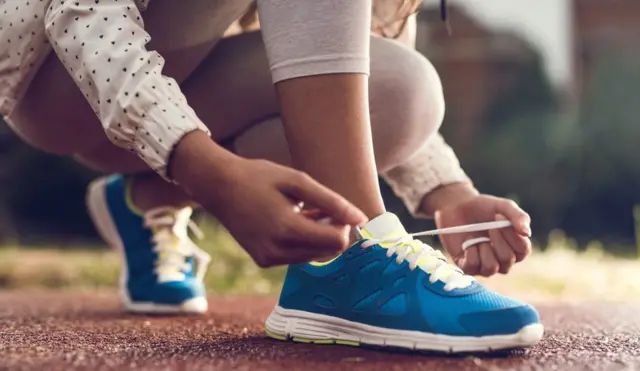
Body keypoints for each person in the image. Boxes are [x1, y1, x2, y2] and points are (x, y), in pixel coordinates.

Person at [0, 0, 542, 352]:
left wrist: (451, 193)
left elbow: (347, 80)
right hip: (61, 82)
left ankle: (146, 195)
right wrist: (206, 170)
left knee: (403, 94)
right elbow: (81, 17)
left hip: (185, 86)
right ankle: (351, 258)